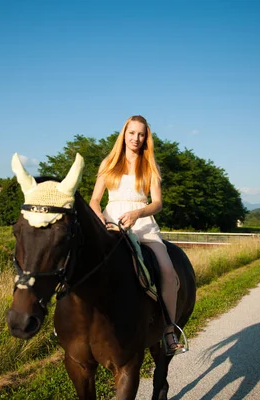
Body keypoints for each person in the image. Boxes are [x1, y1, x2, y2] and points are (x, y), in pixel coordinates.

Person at [90, 115, 186, 356]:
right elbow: (94, 200)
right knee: (86, 263)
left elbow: (158, 204)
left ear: (146, 138)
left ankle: (169, 329)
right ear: (124, 134)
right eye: (132, 133)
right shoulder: (108, 163)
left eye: (141, 134)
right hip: (112, 222)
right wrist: (100, 218)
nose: (136, 138)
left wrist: (137, 213)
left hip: (143, 224)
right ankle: (78, 324)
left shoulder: (150, 166)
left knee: (166, 269)